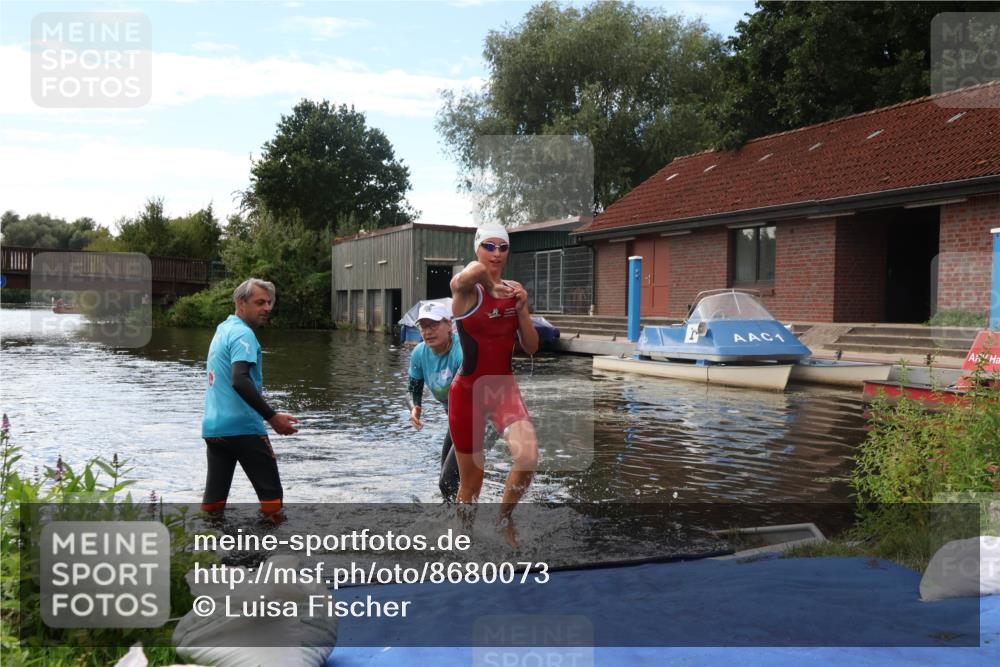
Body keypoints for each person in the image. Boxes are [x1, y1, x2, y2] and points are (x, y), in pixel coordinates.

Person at [449, 223, 539, 547]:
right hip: (468, 393)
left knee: (528, 457)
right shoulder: (467, 290)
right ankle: (463, 540)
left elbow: (530, 347)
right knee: (471, 485)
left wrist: (523, 311)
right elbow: (465, 276)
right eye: (489, 246)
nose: (497, 253)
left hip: (503, 390)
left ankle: (503, 520)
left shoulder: (514, 292)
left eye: (503, 247)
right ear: (477, 249)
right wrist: (490, 283)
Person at [201, 278, 299, 515]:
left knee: (214, 501)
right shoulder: (243, 335)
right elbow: (239, 379)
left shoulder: (223, 330)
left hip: (215, 429)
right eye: (259, 302)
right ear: (240, 303)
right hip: (244, 428)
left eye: (268, 302)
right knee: (272, 501)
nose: (267, 308)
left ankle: (207, 547)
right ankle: (269, 549)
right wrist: (272, 417)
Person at [407, 301, 463, 499]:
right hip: (457, 420)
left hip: (482, 418)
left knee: (447, 482)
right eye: (423, 326)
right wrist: (415, 408)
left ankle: (464, 523)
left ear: (449, 324)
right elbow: (413, 389)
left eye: (434, 325)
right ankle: (458, 522)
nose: (428, 332)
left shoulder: (461, 352)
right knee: (448, 484)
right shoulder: (419, 353)